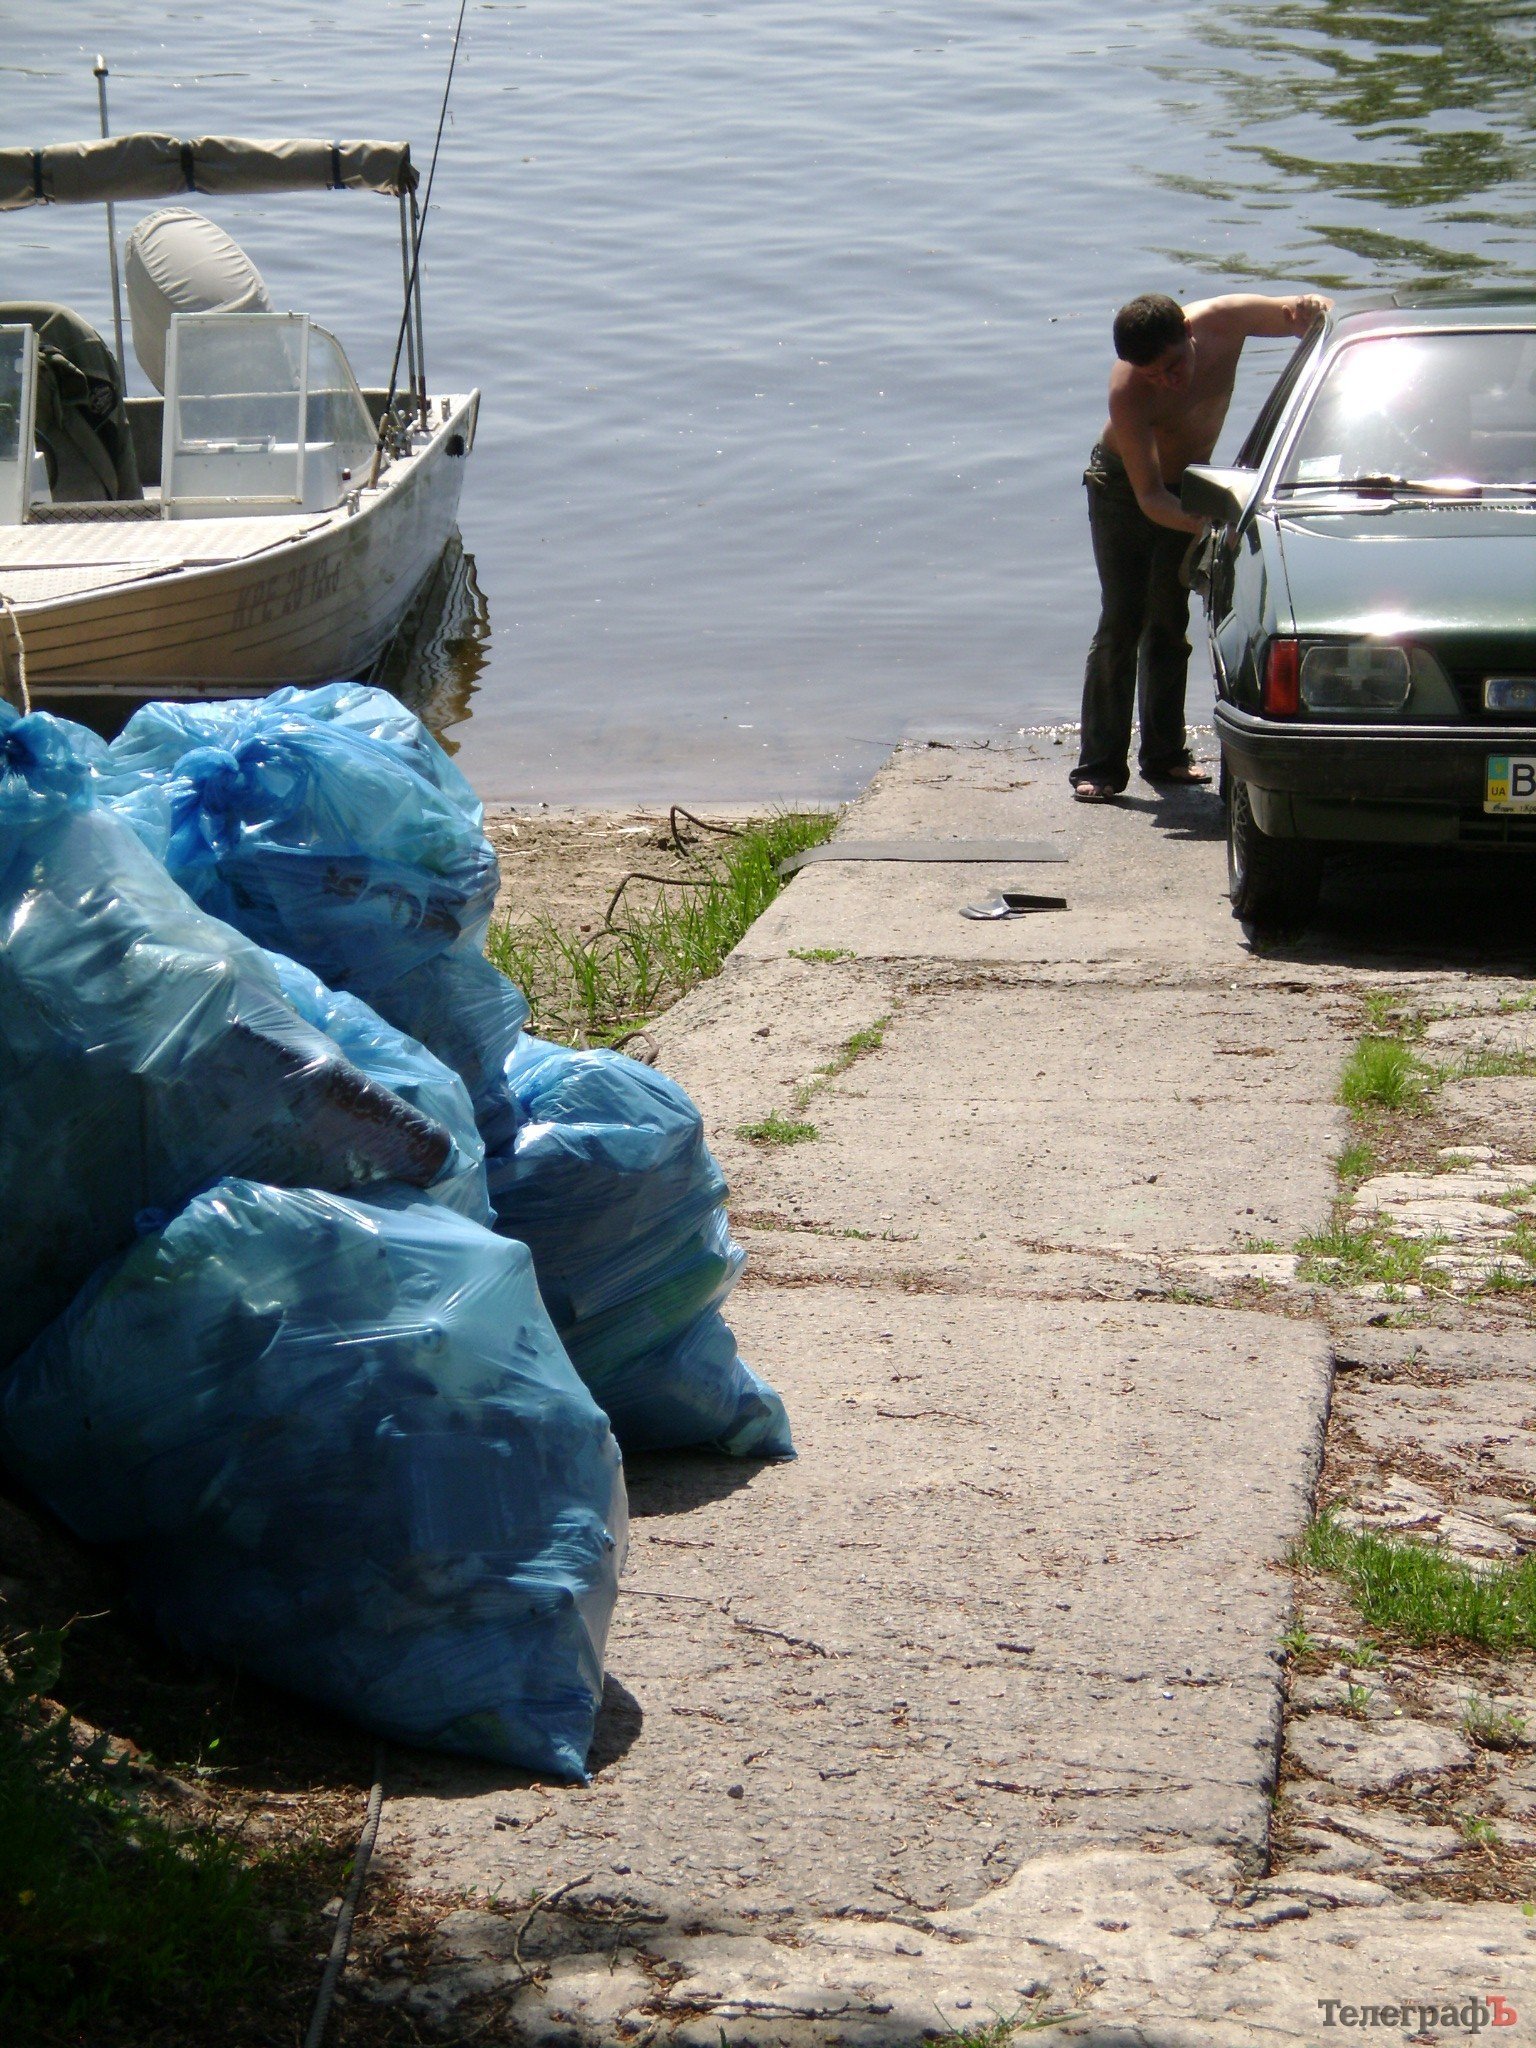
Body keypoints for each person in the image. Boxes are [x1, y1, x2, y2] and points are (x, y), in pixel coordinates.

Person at [1070, 290, 1331, 803]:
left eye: (1173, 365)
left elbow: (1297, 316)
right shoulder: (1129, 390)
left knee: (1169, 619)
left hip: (1191, 481)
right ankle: (1100, 764)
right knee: (1123, 618)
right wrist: (1214, 529)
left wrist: (1312, 306)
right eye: (1153, 376)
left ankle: (1165, 756)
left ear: (1189, 333)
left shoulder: (1224, 321)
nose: (1168, 381)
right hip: (1125, 487)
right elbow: (1149, 497)